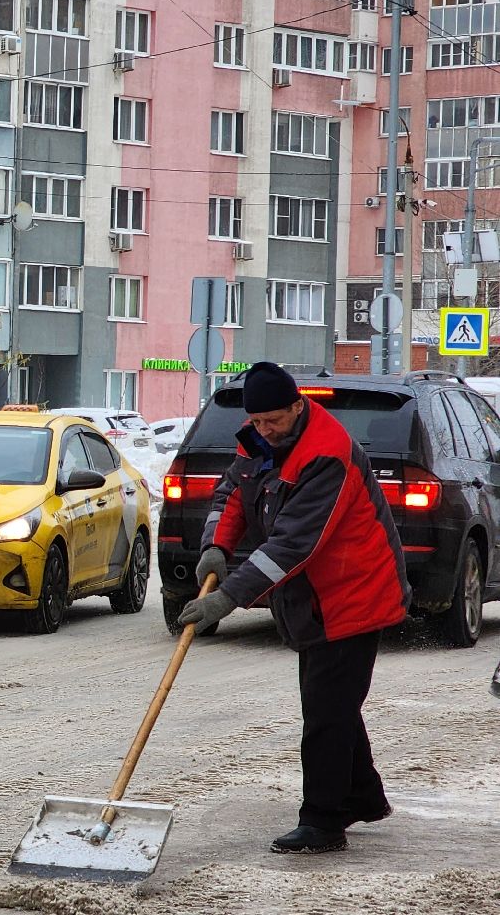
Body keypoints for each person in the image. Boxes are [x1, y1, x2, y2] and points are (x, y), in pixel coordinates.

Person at [181, 361, 410, 854]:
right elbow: (231, 494)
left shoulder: (327, 455)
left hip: (353, 593)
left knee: (327, 709)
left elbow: (293, 544)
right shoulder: (260, 440)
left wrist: (229, 597)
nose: (264, 431)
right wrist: (215, 546)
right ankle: (361, 796)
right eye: (258, 422)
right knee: (335, 702)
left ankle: (323, 821)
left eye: (274, 421)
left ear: (298, 406)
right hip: (314, 597)